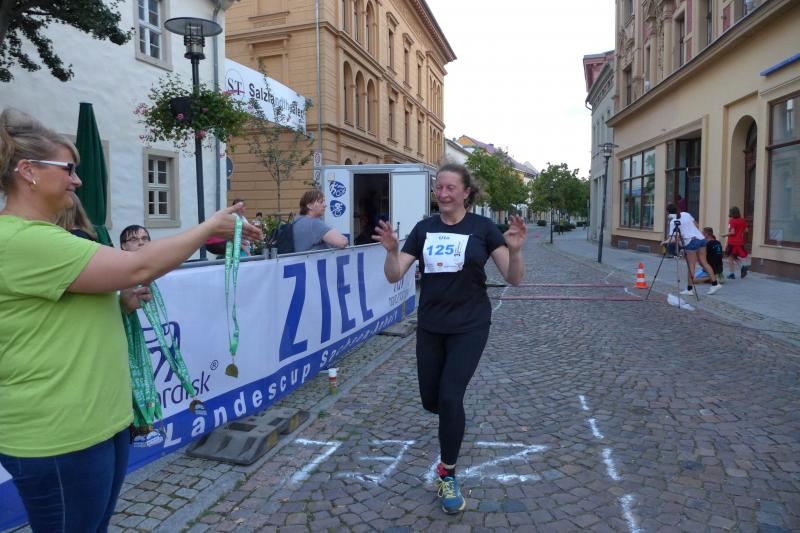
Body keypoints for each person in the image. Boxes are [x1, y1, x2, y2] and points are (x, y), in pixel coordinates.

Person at [0, 108, 262, 533]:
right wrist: (210, 226)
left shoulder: (45, 238)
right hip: (58, 433)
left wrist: (118, 305)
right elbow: (137, 266)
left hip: (97, 422)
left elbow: (57, 316)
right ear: (28, 171)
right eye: (68, 169)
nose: (77, 181)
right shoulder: (21, 240)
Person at [373, 163, 526, 515]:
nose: (442, 194)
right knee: (432, 400)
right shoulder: (424, 229)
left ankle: (448, 473)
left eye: (450, 188)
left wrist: (516, 251)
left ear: (466, 192)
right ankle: (449, 421)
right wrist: (391, 252)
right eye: (438, 188)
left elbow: (514, 278)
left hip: (470, 325)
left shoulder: (483, 228)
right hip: (431, 325)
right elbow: (395, 275)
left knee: (450, 396)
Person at [664, 203, 722, 295]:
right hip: (701, 239)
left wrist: (665, 242)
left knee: (691, 266)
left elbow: (675, 238)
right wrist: (693, 233)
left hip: (691, 242)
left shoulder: (673, 222)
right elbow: (697, 226)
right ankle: (715, 284)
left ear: (669, 213)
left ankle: (689, 289)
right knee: (704, 262)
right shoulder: (686, 214)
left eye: (666, 212)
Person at [723, 206, 749, 279]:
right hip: (740, 241)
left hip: (732, 242)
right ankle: (743, 266)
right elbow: (746, 230)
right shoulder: (743, 220)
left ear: (731, 213)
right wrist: (740, 232)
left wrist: (724, 235)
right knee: (734, 256)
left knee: (730, 257)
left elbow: (732, 232)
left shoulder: (732, 221)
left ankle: (732, 274)